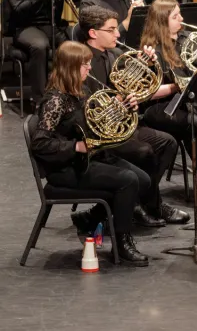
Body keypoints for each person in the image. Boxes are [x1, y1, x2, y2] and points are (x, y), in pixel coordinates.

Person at [31, 42, 149, 265]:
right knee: (128, 180)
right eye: (84, 64)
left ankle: (91, 218)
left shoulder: (80, 92)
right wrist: (75, 147)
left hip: (89, 159)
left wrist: (123, 107)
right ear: (70, 68)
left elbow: (97, 122)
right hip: (66, 168)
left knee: (143, 181)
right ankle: (122, 244)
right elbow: (39, 144)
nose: (89, 68)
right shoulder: (55, 100)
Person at [77, 5, 188, 225]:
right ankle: (147, 204)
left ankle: (141, 202)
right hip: (101, 133)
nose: (118, 34)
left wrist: (146, 65)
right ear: (93, 33)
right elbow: (84, 105)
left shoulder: (116, 54)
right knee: (144, 151)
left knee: (167, 143)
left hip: (126, 124)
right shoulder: (81, 62)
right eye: (111, 30)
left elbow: (137, 90)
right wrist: (117, 102)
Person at [140, 0, 197, 206]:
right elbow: (147, 93)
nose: (182, 19)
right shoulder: (150, 50)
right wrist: (176, 86)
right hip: (161, 106)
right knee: (192, 125)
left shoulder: (187, 38)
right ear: (162, 21)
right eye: (176, 16)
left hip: (191, 98)